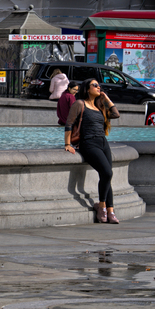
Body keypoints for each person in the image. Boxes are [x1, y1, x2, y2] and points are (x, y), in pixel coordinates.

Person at [64, 78, 121, 224]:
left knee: (107, 176)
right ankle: (101, 207)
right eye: (94, 85)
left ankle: (110, 210)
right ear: (86, 89)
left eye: (99, 85)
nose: (98, 87)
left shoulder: (99, 106)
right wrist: (68, 144)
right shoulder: (79, 104)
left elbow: (115, 114)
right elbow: (69, 123)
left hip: (103, 143)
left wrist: (106, 98)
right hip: (89, 143)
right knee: (107, 172)